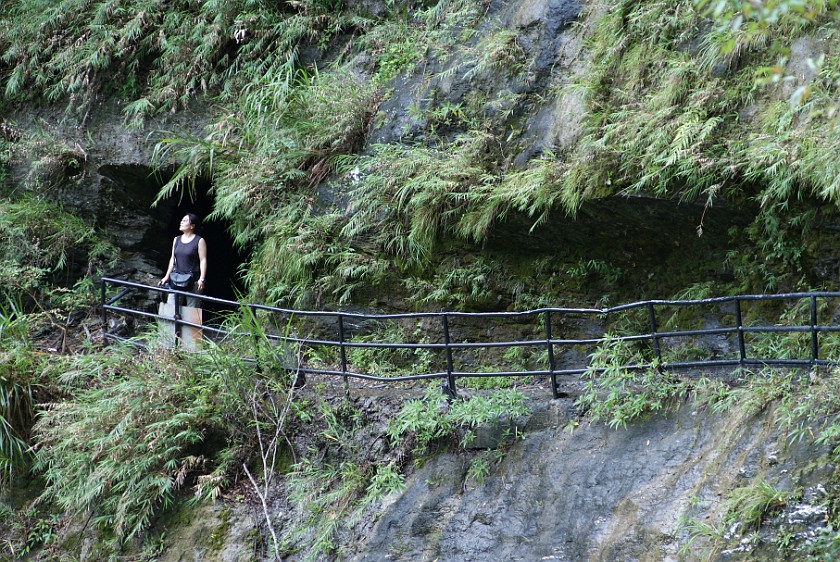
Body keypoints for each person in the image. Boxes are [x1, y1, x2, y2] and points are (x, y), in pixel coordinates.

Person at [159, 213, 208, 309]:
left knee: (192, 309)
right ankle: (171, 324)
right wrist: (166, 276)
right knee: (171, 307)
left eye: (185, 220)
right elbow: (173, 259)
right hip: (176, 278)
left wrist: (202, 279)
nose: (181, 222)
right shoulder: (176, 239)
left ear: (192, 226)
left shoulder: (199, 240)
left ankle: (190, 325)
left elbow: (203, 260)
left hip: (193, 280)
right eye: (182, 220)